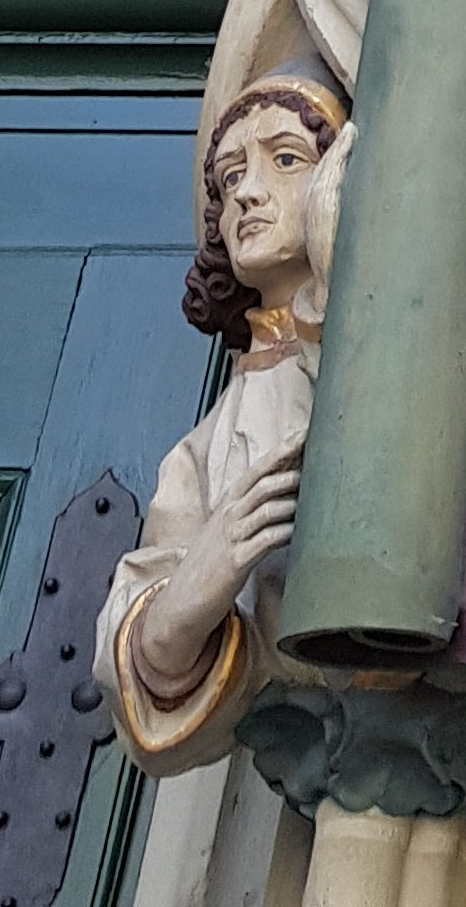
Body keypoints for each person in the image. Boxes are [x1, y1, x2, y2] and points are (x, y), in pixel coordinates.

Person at [97, 65, 350, 773]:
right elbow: (146, 678)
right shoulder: (201, 453)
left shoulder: (368, 346)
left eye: (286, 159)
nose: (246, 190)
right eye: (230, 175)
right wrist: (193, 592)